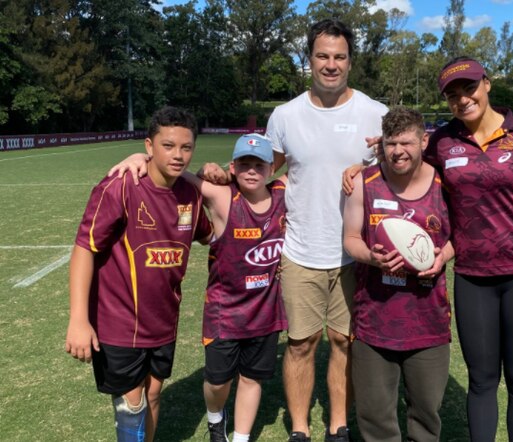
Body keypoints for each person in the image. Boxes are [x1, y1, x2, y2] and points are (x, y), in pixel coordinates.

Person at [344, 57, 513, 441]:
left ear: (487, 84)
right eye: (452, 94)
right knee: (481, 381)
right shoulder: (444, 141)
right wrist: (366, 160)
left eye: (469, 88)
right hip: (472, 276)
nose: (463, 99)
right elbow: (404, 155)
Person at [198, 18, 388, 442]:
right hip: (299, 250)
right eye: (323, 55)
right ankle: (299, 429)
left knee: (344, 342)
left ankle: (339, 425)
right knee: (301, 344)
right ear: (310, 60)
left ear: (350, 63)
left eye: (340, 57)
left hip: (355, 253)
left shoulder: (377, 114)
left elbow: (406, 164)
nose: (331, 64)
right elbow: (260, 171)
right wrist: (215, 174)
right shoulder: (285, 116)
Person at [65, 106, 213, 442]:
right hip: (119, 321)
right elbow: (84, 248)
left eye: (186, 148)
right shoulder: (121, 185)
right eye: (168, 145)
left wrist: (215, 177)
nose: (178, 155)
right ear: (149, 146)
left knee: (153, 396)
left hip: (163, 319)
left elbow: (211, 233)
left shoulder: (189, 194)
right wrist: (78, 318)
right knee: (131, 405)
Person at [342, 107, 454, 442]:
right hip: (375, 320)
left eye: (406, 142)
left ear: (424, 141)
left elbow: (463, 234)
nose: (397, 151)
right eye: (390, 143)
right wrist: (372, 258)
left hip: (429, 322)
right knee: (375, 418)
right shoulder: (366, 183)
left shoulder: (444, 183)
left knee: (425, 416)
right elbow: (350, 238)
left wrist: (443, 256)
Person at [193, 134, 288, 442]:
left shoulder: (284, 192)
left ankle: (240, 437)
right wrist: (138, 160)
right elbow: (173, 175)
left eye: (258, 165)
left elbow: (317, 166)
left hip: (265, 312)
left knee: (251, 378)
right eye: (244, 164)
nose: (251, 171)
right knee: (218, 381)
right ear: (232, 167)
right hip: (225, 312)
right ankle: (215, 416)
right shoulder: (224, 197)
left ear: (270, 167)